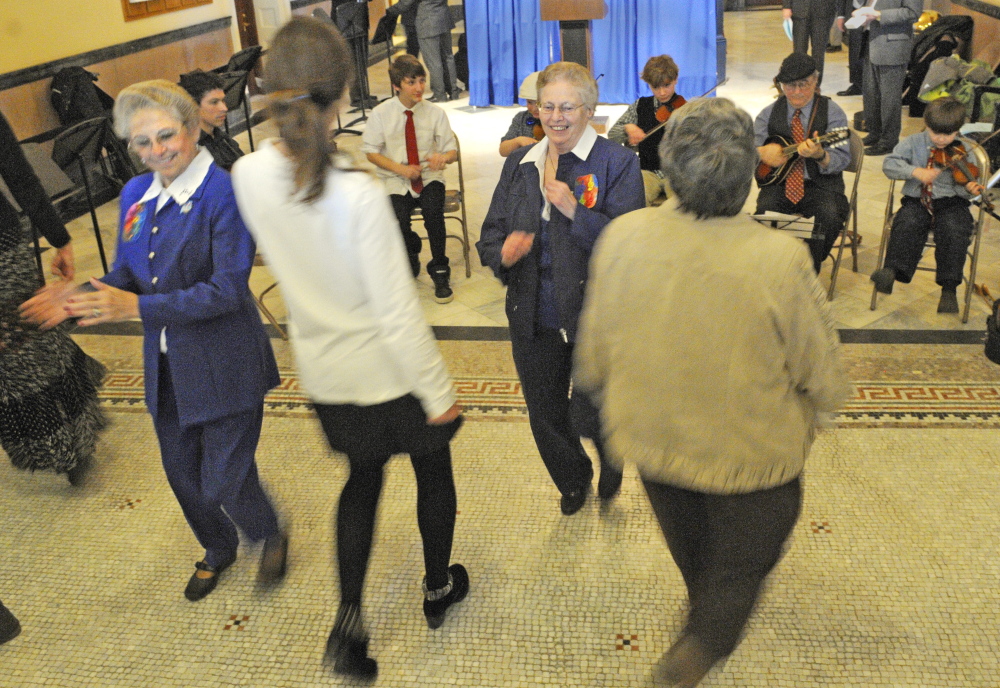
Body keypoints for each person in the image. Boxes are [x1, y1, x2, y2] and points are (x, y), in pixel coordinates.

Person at [574, 97, 848, 688]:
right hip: (751, 462)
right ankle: (692, 658)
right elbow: (821, 370)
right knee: (737, 575)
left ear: (669, 166)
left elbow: (592, 358)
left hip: (657, 449)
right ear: (750, 172)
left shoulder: (623, 237)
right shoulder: (777, 257)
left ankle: (700, 625)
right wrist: (820, 408)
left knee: (699, 562)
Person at [231, 17, 468, 681]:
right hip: (391, 374)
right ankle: (436, 587)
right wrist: (440, 394)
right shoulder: (359, 196)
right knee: (433, 471)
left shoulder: (247, 175)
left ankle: (348, 620)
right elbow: (398, 317)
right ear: (343, 99)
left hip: (328, 377)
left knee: (361, 482)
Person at [21, 80, 287, 602]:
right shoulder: (133, 195)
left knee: (225, 481)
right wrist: (79, 297)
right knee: (184, 476)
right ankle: (217, 547)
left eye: (166, 136)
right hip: (168, 366)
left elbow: (228, 289)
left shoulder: (226, 193)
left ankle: (269, 532)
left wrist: (136, 308)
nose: (156, 151)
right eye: (141, 143)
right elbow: (126, 270)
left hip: (226, 360)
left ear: (192, 129)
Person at [477, 62, 644, 516]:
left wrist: (576, 212)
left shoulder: (618, 163)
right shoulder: (520, 162)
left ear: (588, 110)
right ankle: (573, 479)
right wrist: (502, 254)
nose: (556, 117)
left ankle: (611, 457)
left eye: (567, 106)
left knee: (594, 410)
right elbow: (489, 234)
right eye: (547, 106)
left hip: (594, 312)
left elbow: (630, 247)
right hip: (533, 311)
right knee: (545, 413)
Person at [1, 109, 105, 485]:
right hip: (6, 246)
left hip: (4, 250)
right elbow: (20, 178)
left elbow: (21, 177)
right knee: (28, 348)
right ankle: (68, 443)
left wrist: (59, 237)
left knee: (23, 349)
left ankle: (65, 448)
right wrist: (59, 239)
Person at [870, 97, 985, 314]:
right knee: (907, 222)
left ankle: (949, 289)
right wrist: (915, 171)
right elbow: (890, 165)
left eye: (948, 134)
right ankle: (892, 271)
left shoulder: (965, 150)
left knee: (955, 229)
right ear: (927, 124)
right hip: (917, 200)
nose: (941, 139)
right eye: (935, 133)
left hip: (952, 204)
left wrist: (968, 189)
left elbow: (965, 192)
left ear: (958, 129)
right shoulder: (913, 142)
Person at [362, 54, 458, 303]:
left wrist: (443, 158)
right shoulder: (381, 114)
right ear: (397, 86)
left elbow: (451, 151)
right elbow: (371, 152)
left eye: (422, 81)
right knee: (397, 217)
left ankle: (439, 268)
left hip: (429, 176)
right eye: (411, 82)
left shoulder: (435, 113)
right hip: (396, 177)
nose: (419, 88)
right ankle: (411, 248)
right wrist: (401, 169)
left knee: (433, 210)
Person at [754, 52, 851, 273]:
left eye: (803, 84)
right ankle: (775, 270)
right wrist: (761, 152)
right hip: (779, 185)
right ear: (781, 85)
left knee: (829, 215)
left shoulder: (833, 113)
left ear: (816, 81)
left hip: (822, 185)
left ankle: (807, 272)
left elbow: (843, 159)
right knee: (764, 213)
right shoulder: (767, 115)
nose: (796, 92)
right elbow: (746, 150)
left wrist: (820, 156)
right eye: (790, 85)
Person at [608, 55, 686, 206]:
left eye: (667, 85)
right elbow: (612, 134)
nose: (662, 92)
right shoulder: (640, 105)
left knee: (681, 206)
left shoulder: (685, 109)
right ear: (649, 85)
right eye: (656, 87)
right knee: (634, 200)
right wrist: (627, 128)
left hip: (677, 173)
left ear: (676, 79)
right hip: (647, 172)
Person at [851, 0, 921, 156]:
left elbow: (913, 13)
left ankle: (888, 141)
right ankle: (875, 133)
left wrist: (877, 14)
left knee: (889, 98)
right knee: (871, 93)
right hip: (871, 40)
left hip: (893, 44)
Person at [385, 0, 457, 102]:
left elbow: (406, 3)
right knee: (448, 58)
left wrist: (390, 11)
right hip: (444, 19)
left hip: (427, 23)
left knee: (434, 62)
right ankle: (453, 92)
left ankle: (439, 95)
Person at [178, 69, 244, 171]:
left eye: (223, 100)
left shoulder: (219, 136)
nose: (224, 108)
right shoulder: (191, 148)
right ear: (193, 106)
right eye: (214, 102)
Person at [782, 0, 839, 83]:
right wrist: (786, 6)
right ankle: (800, 82)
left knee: (819, 51)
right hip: (799, 10)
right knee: (799, 50)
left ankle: (815, 85)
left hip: (824, 10)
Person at [499, 71, 543, 158]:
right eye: (530, 102)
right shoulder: (521, 118)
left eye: (539, 103)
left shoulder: (556, 120)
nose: (534, 108)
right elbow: (503, 151)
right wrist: (518, 141)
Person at [835, 0, 865, 97]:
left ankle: (869, 86)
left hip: (874, 11)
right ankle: (857, 85)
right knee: (855, 49)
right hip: (853, 10)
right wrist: (841, 15)